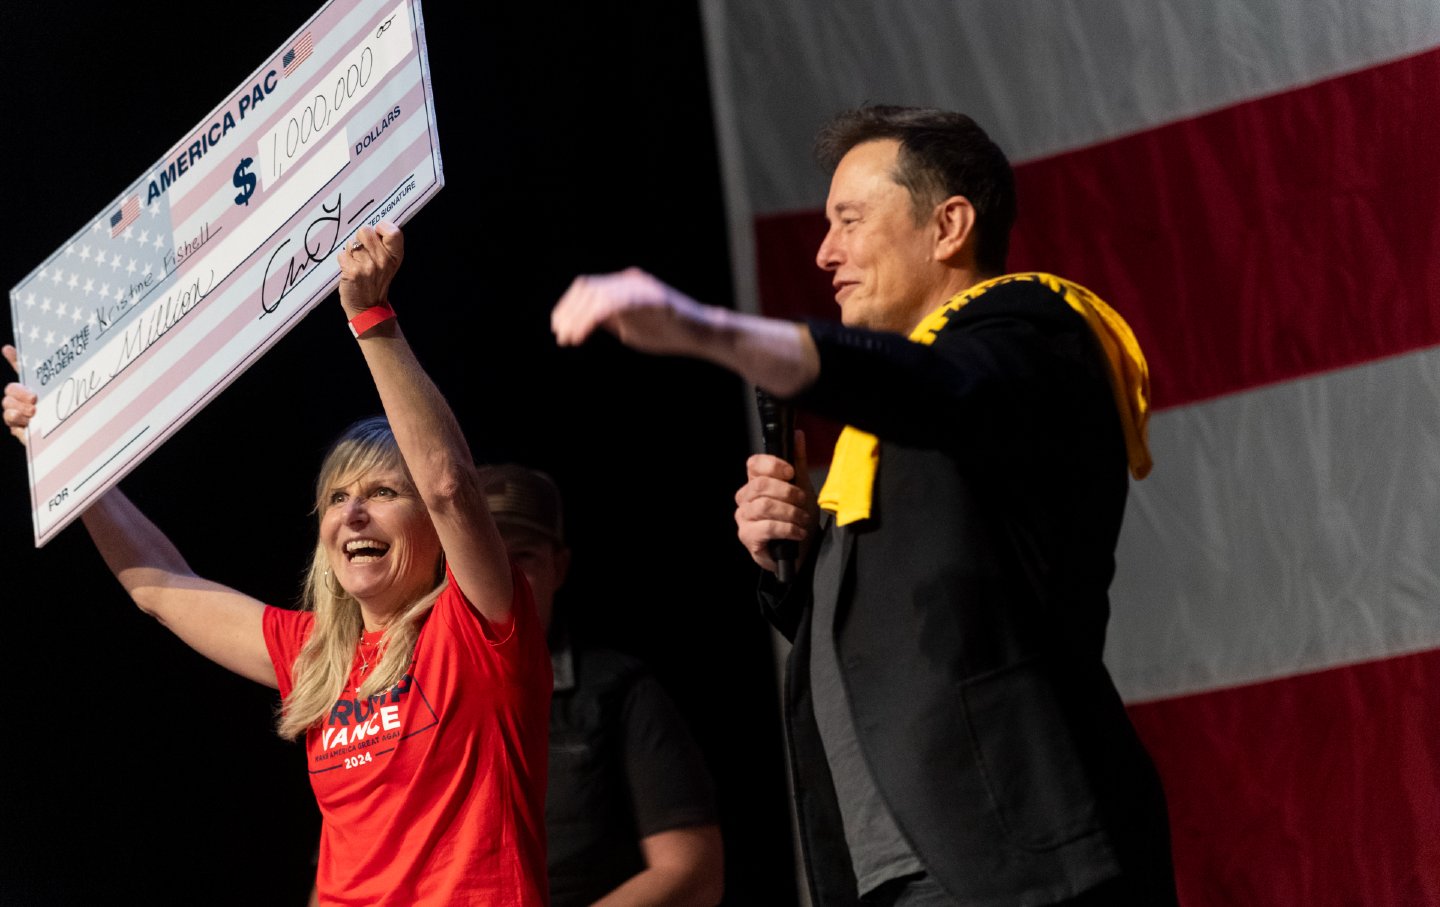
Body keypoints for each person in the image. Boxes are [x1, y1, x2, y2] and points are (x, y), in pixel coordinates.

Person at [550, 106, 1177, 906]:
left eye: (849, 220)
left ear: (949, 225)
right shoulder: (887, 431)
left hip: (1013, 862)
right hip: (892, 867)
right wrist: (797, 563)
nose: (824, 252)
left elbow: (933, 387)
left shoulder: (1030, 330)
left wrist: (705, 328)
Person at [3, 223, 551, 906]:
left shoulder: (480, 629)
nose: (353, 513)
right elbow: (163, 588)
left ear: (434, 531)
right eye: (337, 498)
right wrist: (65, 458)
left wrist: (369, 315)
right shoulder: (315, 654)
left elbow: (447, 484)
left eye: (383, 492)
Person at [478, 464, 724, 907]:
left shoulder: (620, 689)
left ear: (559, 566)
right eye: (487, 555)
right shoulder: (409, 693)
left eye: (524, 556)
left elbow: (693, 869)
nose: (504, 575)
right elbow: (347, 861)